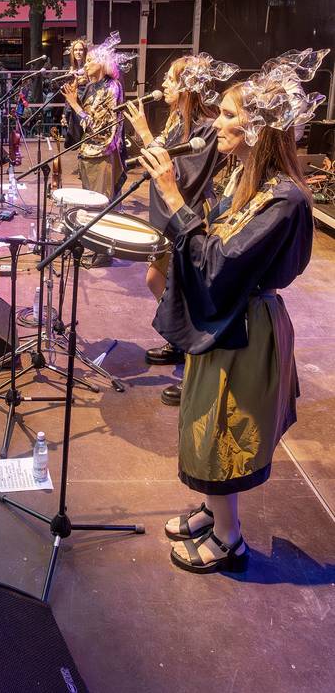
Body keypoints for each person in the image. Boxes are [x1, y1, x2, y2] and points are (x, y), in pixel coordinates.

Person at [141, 49, 322, 574]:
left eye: (226, 115)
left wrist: (174, 197)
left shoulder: (283, 199)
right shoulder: (242, 177)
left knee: (223, 428)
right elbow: (206, 243)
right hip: (221, 320)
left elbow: (218, 263)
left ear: (259, 129)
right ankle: (210, 510)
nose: (213, 122)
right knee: (203, 419)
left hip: (244, 328)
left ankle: (230, 538)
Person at [124, 53, 229, 403]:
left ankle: (193, 364)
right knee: (158, 281)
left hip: (188, 218)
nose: (164, 85)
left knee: (184, 293)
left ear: (189, 87)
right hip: (165, 219)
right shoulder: (176, 119)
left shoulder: (203, 128)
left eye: (170, 79)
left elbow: (182, 179)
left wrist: (143, 133)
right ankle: (178, 339)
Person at [61, 34, 127, 201]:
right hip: (87, 153)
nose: (86, 64)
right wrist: (73, 104)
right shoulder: (91, 86)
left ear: (102, 63)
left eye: (90, 60)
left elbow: (99, 128)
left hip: (101, 155)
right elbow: (84, 121)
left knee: (99, 204)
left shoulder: (111, 87)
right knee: (88, 203)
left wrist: (75, 105)